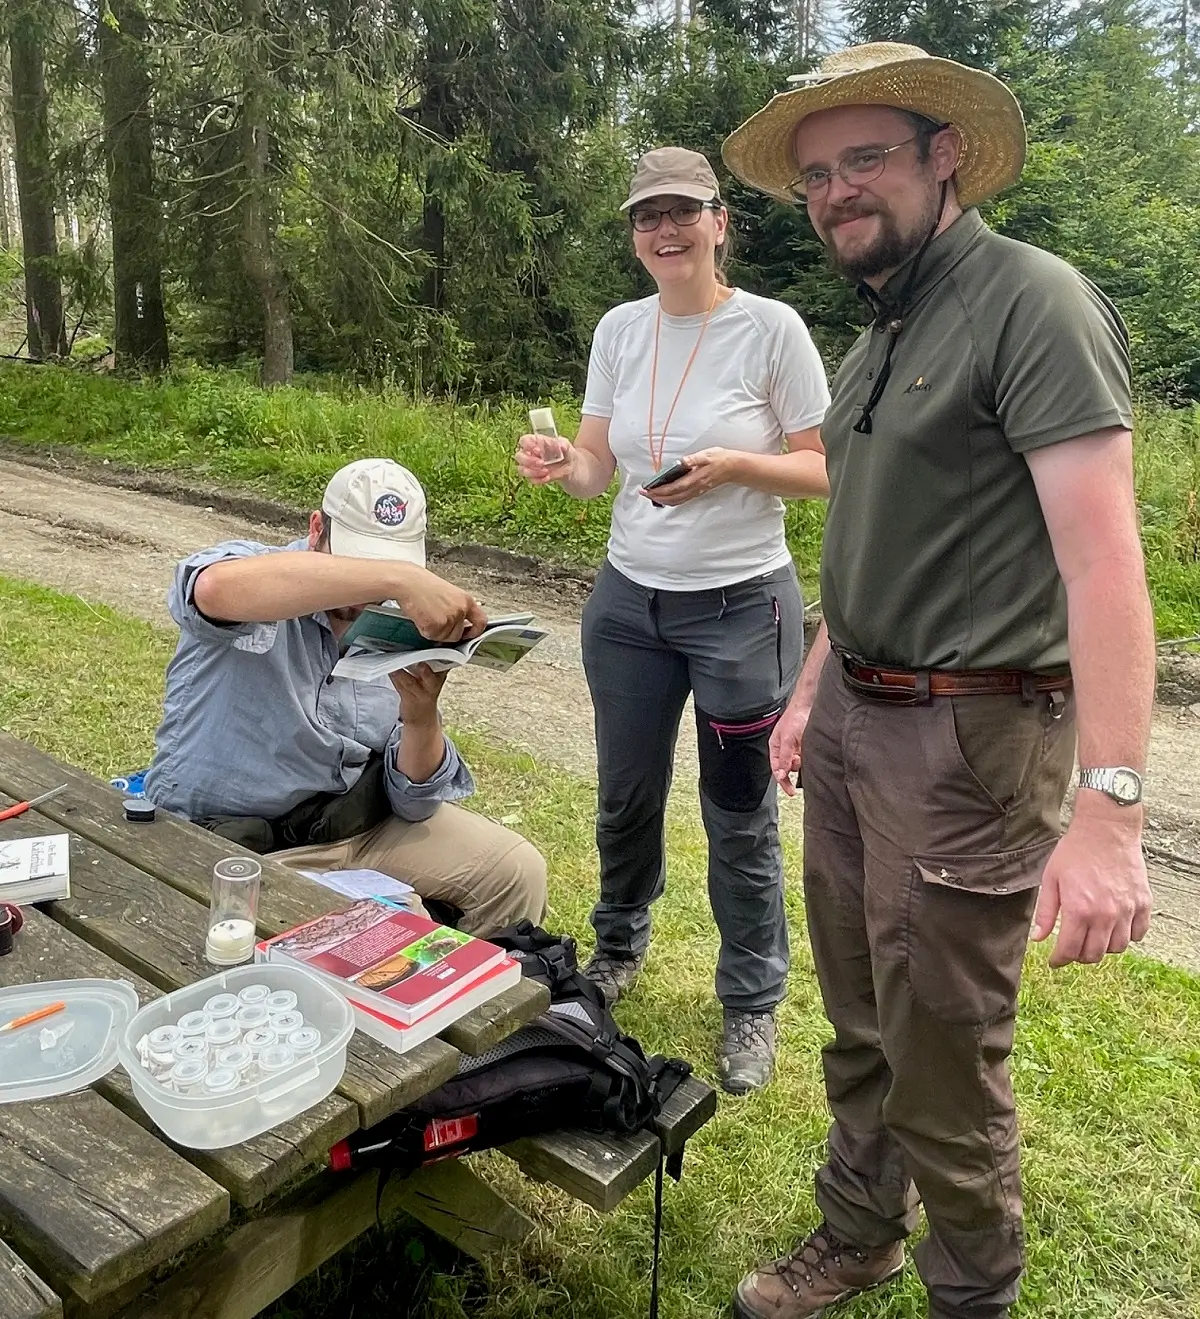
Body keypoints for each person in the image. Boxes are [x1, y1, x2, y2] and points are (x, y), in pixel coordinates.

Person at [720, 41, 1155, 1318]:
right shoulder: (878, 338)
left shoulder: (1036, 302)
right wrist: (811, 691)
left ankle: (973, 1297)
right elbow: (866, 548)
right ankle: (857, 1233)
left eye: (866, 159)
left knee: (946, 1057)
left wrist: (1112, 809)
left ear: (944, 153)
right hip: (856, 715)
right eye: (816, 176)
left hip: (972, 743)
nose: (838, 192)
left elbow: (1104, 558)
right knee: (862, 1018)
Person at [515, 146, 831, 1095]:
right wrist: (557, 463)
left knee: (739, 809)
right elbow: (595, 468)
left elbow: (825, 470)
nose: (664, 230)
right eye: (647, 217)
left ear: (719, 221)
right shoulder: (620, 330)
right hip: (627, 608)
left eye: (682, 212)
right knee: (625, 793)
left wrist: (733, 465)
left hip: (741, 607)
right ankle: (617, 950)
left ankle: (751, 1001)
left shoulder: (772, 330)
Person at [143, 458, 548, 935]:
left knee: (516, 871)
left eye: (394, 565)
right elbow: (211, 590)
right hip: (239, 842)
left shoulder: (396, 624)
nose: (370, 595)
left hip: (352, 824)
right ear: (317, 530)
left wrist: (421, 717)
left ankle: (482, 1001)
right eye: (358, 561)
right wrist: (394, 578)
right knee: (393, 930)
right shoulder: (258, 573)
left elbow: (414, 803)